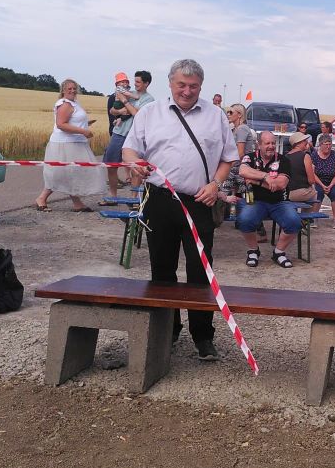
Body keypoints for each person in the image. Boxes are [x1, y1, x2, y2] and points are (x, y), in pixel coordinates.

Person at [123, 59, 237, 360]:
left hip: (201, 200)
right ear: (170, 83)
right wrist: (134, 161)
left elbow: (229, 158)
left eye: (193, 86)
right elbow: (130, 149)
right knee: (162, 269)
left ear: (201, 86)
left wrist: (216, 185)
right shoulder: (149, 113)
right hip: (159, 199)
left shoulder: (216, 116)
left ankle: (203, 336)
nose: (187, 91)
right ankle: (166, 331)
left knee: (201, 271)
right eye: (181, 85)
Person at [35, 79, 106, 213]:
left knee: (73, 172)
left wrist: (85, 124)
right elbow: (61, 124)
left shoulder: (75, 103)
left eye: (74, 88)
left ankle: (77, 203)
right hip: (64, 144)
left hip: (75, 143)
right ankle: (41, 198)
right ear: (63, 91)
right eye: (69, 89)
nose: (73, 91)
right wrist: (83, 131)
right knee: (61, 173)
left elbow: (71, 121)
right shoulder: (65, 104)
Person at [237, 131, 302, 268]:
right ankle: (253, 250)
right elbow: (243, 171)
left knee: (294, 222)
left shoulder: (283, 160)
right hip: (255, 201)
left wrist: (256, 181)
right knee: (244, 220)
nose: (271, 146)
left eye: (273, 143)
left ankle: (279, 252)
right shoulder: (249, 158)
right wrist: (266, 177)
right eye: (267, 143)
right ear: (259, 144)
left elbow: (281, 184)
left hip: (280, 201)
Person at [100, 70, 153, 205]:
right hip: (119, 133)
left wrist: (125, 101)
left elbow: (137, 114)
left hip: (135, 135)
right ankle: (113, 197)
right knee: (111, 164)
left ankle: (133, 198)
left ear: (146, 83)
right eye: (134, 81)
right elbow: (112, 110)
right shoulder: (130, 94)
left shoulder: (149, 99)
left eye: (138, 82)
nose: (135, 84)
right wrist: (120, 110)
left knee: (136, 167)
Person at [220, 103, 256, 204]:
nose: (228, 114)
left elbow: (240, 153)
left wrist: (226, 167)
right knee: (242, 194)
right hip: (239, 166)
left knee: (222, 188)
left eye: (231, 112)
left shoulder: (242, 129)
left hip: (240, 166)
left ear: (239, 114)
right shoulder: (236, 129)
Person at [306, 133, 335, 227]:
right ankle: (315, 218)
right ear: (320, 145)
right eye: (326, 144)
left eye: (330, 144)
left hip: (332, 181)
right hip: (318, 181)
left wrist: (330, 185)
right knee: (318, 193)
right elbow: (312, 173)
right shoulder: (314, 156)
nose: (328, 146)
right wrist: (322, 185)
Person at [285, 131, 315, 202]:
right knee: (315, 193)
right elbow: (311, 181)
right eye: (304, 140)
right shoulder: (305, 156)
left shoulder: (285, 156)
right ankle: (310, 213)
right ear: (298, 144)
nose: (307, 142)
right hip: (301, 192)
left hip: (286, 193)